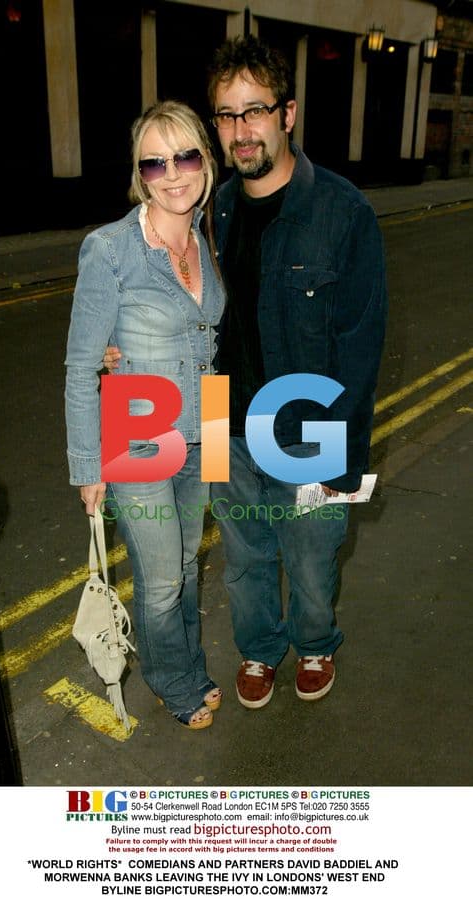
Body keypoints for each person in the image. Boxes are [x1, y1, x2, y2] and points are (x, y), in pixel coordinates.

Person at [105, 36, 387, 710]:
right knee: (244, 558)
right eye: (227, 115)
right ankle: (260, 648)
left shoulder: (343, 212)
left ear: (287, 114)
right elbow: (162, 297)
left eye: (255, 110)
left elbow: (360, 344)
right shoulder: (210, 209)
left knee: (312, 557)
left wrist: (346, 459)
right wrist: (123, 349)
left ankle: (315, 642)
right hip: (221, 420)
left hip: (308, 427)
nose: (241, 130)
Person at [65, 101, 226, 730]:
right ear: (140, 174)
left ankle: (187, 664)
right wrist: (88, 466)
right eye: (155, 162)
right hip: (139, 437)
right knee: (160, 581)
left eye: (185, 155)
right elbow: (82, 366)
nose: (173, 173)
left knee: (186, 566)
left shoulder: (208, 235)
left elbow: (209, 338)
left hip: (205, 428)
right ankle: (173, 681)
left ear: (204, 161)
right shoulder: (110, 249)